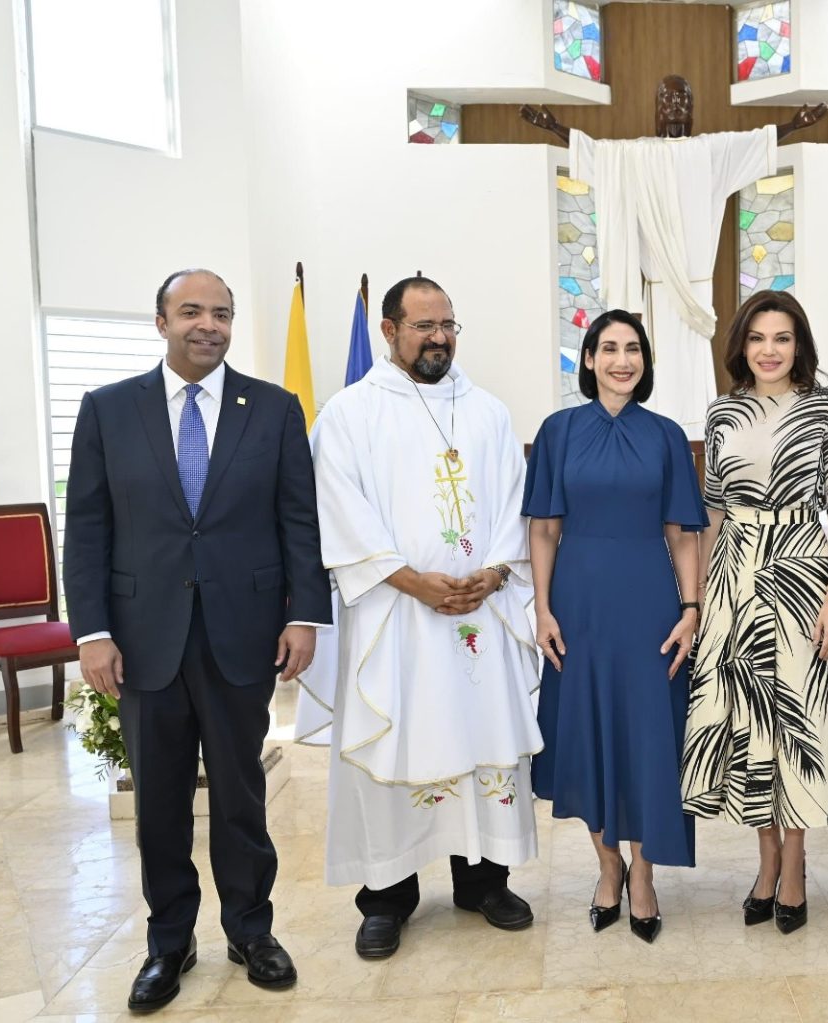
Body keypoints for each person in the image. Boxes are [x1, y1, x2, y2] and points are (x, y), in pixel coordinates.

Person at [63, 269, 329, 1010]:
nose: (207, 324)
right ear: (160, 322)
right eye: (191, 312)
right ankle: (168, 942)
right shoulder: (108, 410)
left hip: (243, 636)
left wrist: (304, 614)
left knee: (241, 796)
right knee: (161, 803)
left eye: (221, 313)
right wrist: (92, 632)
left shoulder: (274, 410)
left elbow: (298, 521)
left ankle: (251, 929)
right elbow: (86, 529)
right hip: (143, 640)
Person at [302, 275, 542, 961]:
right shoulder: (349, 414)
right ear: (389, 331)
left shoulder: (490, 412)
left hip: (480, 614)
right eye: (423, 326)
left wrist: (494, 573)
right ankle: (387, 897)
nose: (438, 338)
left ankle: (484, 881)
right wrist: (412, 582)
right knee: (396, 741)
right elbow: (339, 512)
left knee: (480, 736)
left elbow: (513, 507)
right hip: (394, 616)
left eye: (448, 326)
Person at [679, 289, 828, 935]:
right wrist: (699, 601)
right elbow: (714, 512)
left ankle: (795, 865)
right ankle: (765, 864)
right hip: (735, 573)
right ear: (742, 346)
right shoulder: (723, 411)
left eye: (781, 338)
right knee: (751, 723)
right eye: (757, 338)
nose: (768, 350)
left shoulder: (827, 410)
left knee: (799, 722)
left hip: (802, 571)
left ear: (799, 345)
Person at [525, 309, 708, 944]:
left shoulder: (665, 437)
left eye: (633, 349)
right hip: (577, 606)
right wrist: (544, 609)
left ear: (645, 361)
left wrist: (690, 610)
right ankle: (608, 867)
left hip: (649, 606)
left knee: (648, 740)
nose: (621, 360)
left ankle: (645, 875)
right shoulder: (557, 432)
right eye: (609, 349)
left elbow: (684, 535)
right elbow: (544, 530)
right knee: (584, 736)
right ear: (589, 359)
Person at [520, 77, 827, 437]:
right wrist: (552, 126)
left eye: (683, 97)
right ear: (655, 108)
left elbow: (757, 143)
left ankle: (699, 435)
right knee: (660, 372)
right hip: (656, 292)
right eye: (666, 98)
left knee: (693, 375)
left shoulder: (709, 153)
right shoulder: (633, 156)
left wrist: (795, 124)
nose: (675, 104)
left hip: (695, 291)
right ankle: (656, 432)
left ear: (693, 107)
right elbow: (595, 155)